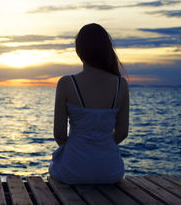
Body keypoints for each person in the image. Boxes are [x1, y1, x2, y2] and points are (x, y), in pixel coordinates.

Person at [49, 23, 129, 184]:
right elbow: (122, 133)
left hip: (73, 169)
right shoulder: (121, 85)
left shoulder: (67, 83)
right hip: (110, 171)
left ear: (79, 51)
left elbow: (59, 134)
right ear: (107, 49)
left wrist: (81, 151)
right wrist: (100, 147)